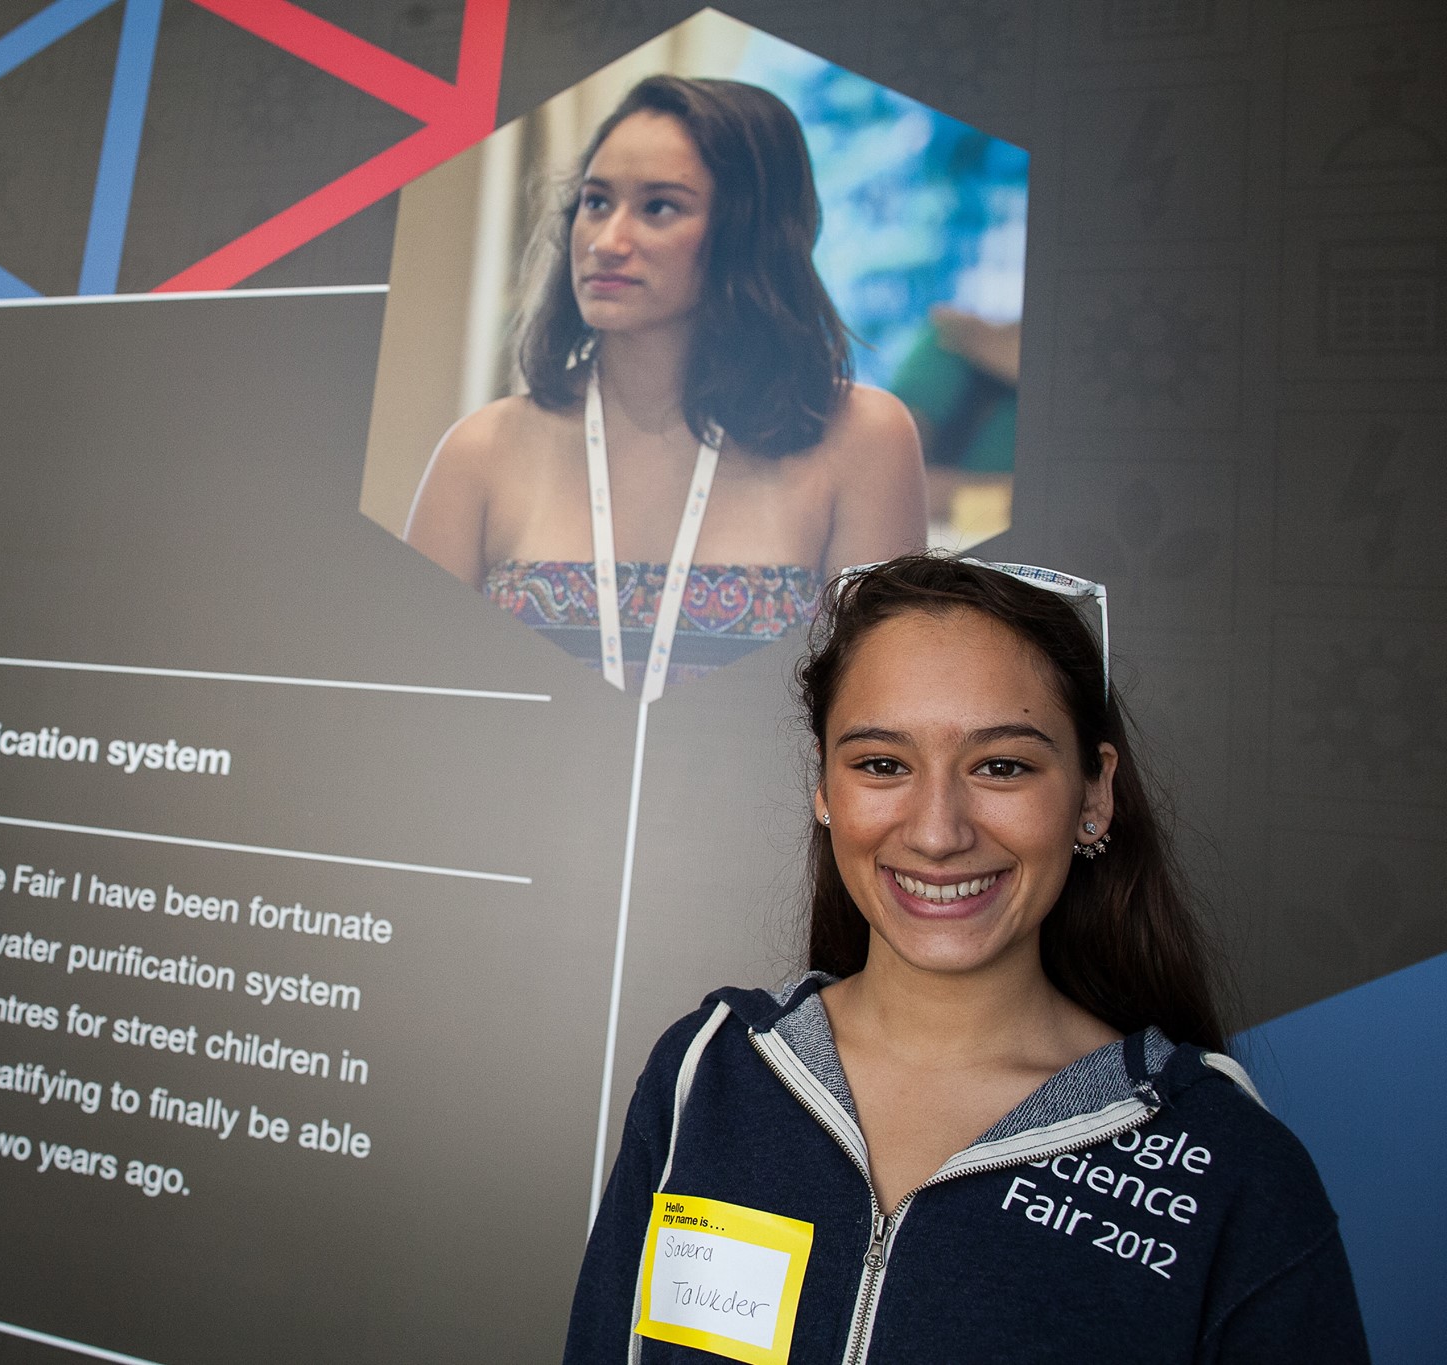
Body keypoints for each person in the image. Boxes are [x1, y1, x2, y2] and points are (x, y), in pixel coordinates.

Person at [564, 555, 1368, 1363]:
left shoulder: (1233, 1172)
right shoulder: (705, 1077)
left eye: (1002, 765)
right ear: (825, 785)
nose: (938, 831)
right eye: (882, 763)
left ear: (1093, 794)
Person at [404, 76, 924, 696]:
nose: (607, 241)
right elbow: (406, 700)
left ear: (749, 234)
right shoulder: (479, 451)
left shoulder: (862, 439)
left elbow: (880, 714)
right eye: (596, 202)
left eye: (659, 208)